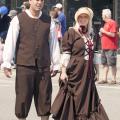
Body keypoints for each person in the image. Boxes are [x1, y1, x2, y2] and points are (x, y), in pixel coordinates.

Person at [1, 0, 60, 120]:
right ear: (30, 1)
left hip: (43, 66)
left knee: (45, 99)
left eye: (42, 0)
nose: (39, 2)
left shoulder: (49, 21)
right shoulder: (18, 19)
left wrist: (56, 63)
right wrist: (6, 63)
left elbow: (53, 43)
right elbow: (10, 41)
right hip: (24, 65)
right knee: (22, 99)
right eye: (36, 0)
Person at [51, 7, 109, 120]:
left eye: (85, 17)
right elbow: (66, 53)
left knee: (87, 97)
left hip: (88, 71)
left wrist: (97, 71)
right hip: (75, 70)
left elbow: (95, 54)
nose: (82, 19)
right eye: (80, 17)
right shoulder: (71, 32)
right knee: (75, 97)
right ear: (77, 18)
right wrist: (63, 72)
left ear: (89, 19)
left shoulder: (92, 33)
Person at [98, 9, 118, 84]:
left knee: (112, 64)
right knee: (104, 63)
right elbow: (107, 34)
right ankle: (104, 78)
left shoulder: (112, 23)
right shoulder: (106, 23)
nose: (102, 16)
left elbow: (113, 34)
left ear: (105, 15)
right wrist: (102, 34)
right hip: (104, 47)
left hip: (111, 47)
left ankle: (113, 79)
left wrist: (103, 31)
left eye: (102, 14)